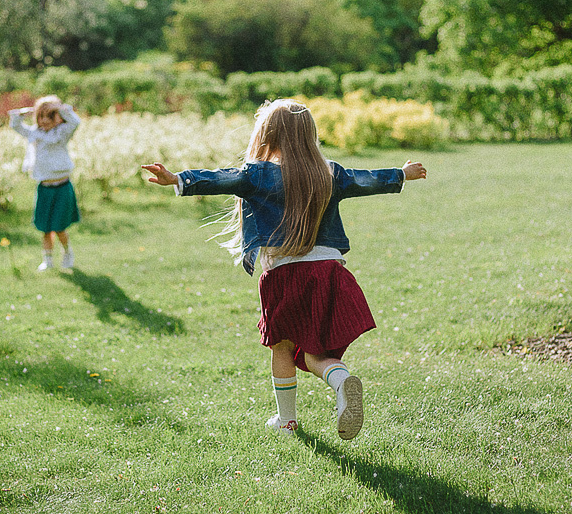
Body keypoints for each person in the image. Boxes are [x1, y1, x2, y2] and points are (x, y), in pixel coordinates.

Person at [142, 99, 427, 441]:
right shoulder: (328, 172)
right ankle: (340, 381)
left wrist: (178, 179)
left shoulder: (258, 174)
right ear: (309, 135)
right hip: (330, 271)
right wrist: (402, 174)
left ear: (267, 135)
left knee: (282, 347)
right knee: (314, 353)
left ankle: (287, 420)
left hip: (285, 274)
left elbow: (221, 178)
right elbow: (365, 179)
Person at [9, 96, 82, 271]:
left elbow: (75, 122)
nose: (45, 120)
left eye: (50, 116)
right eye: (41, 116)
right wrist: (26, 112)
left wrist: (60, 107)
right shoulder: (35, 133)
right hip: (44, 187)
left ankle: (67, 252)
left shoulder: (62, 133)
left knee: (59, 227)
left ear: (57, 116)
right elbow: (16, 125)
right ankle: (47, 259)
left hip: (62, 187)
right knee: (45, 227)